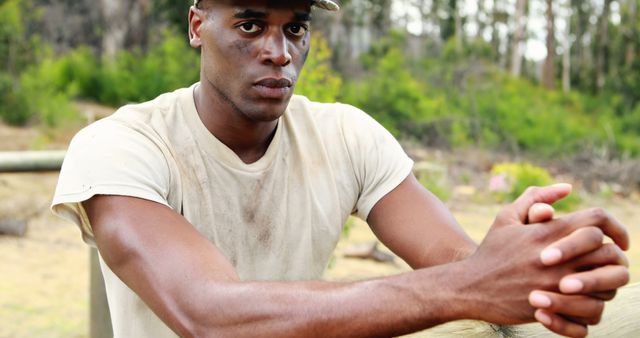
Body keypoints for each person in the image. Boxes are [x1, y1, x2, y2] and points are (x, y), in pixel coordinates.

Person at [51, 0, 630, 337]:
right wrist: (471, 282)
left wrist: (536, 267)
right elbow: (208, 314)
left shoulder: (345, 134)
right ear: (198, 25)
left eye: (295, 27)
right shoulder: (120, 145)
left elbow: (462, 268)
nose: (279, 51)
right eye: (251, 24)